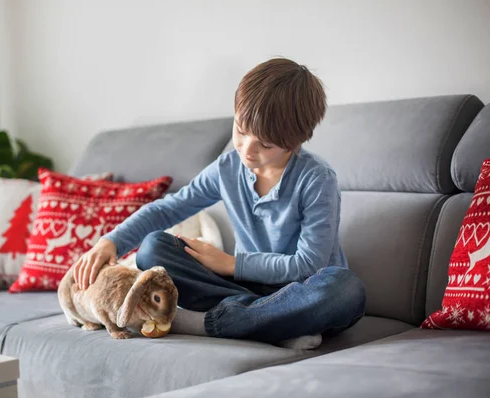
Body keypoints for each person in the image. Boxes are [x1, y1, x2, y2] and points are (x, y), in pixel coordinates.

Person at [72, 57, 366, 346]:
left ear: (295, 141)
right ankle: (275, 324)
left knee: (345, 289)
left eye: (265, 144)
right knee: (153, 248)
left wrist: (230, 263)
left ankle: (219, 323)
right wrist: (110, 242)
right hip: (241, 289)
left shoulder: (317, 179)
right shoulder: (227, 168)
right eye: (240, 129)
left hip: (302, 289)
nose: (247, 150)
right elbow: (168, 208)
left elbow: (307, 265)